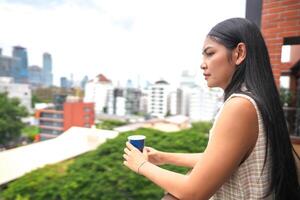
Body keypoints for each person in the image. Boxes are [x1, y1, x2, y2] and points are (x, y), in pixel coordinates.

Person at [123, 18, 300, 200]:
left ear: (239, 53)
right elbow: (218, 160)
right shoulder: (256, 99)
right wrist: (163, 157)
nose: (202, 63)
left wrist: (141, 165)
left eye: (210, 53)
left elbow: (193, 192)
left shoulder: (240, 106)